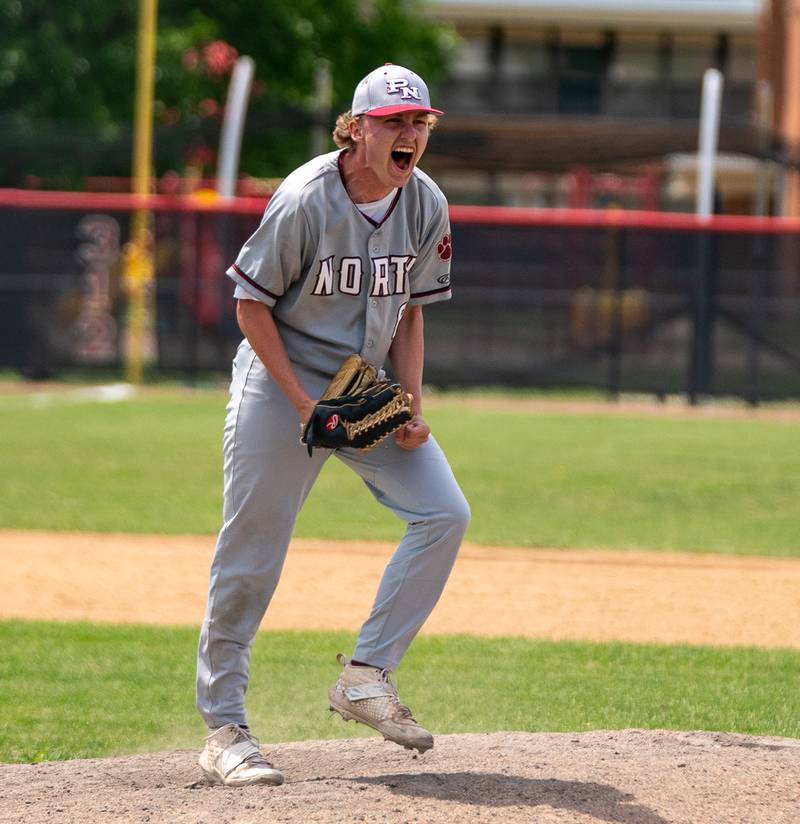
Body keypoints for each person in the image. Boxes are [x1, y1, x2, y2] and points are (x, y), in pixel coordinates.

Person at [196, 63, 470, 787]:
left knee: (444, 513)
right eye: (393, 123)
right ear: (356, 129)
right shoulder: (305, 199)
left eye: (419, 124)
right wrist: (299, 404)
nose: (409, 135)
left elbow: (411, 309)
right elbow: (251, 305)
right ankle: (225, 728)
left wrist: (409, 403)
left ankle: (365, 676)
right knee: (251, 554)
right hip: (279, 381)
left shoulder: (425, 202)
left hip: (362, 389)